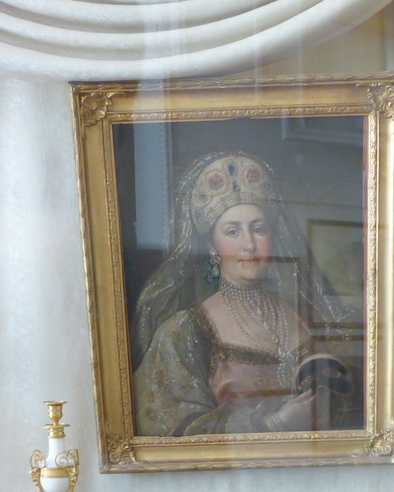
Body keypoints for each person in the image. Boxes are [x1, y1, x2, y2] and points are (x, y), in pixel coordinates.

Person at [132, 151, 354, 436]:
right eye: (233, 232)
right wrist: (273, 425)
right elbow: (170, 424)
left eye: (258, 229)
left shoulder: (299, 316)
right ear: (212, 246)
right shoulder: (184, 332)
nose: (249, 244)